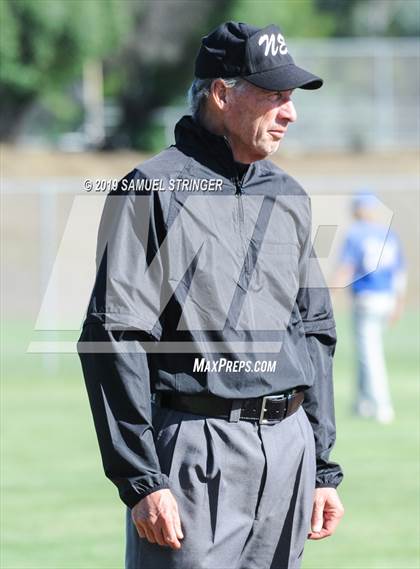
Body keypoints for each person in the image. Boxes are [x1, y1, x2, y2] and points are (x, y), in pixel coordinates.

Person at [78, 21, 344, 569]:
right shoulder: (153, 189)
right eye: (273, 96)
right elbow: (114, 336)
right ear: (222, 95)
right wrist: (142, 479)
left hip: (288, 450)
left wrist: (320, 466)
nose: (289, 113)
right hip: (198, 452)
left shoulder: (289, 196)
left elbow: (313, 332)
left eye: (290, 98)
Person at [334, 192, 406, 424]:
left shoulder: (356, 233)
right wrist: (399, 302)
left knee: (370, 354)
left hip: (367, 298)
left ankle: (382, 405)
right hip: (386, 298)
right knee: (365, 351)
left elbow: (347, 266)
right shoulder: (387, 233)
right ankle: (363, 402)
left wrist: (332, 292)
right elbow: (399, 272)